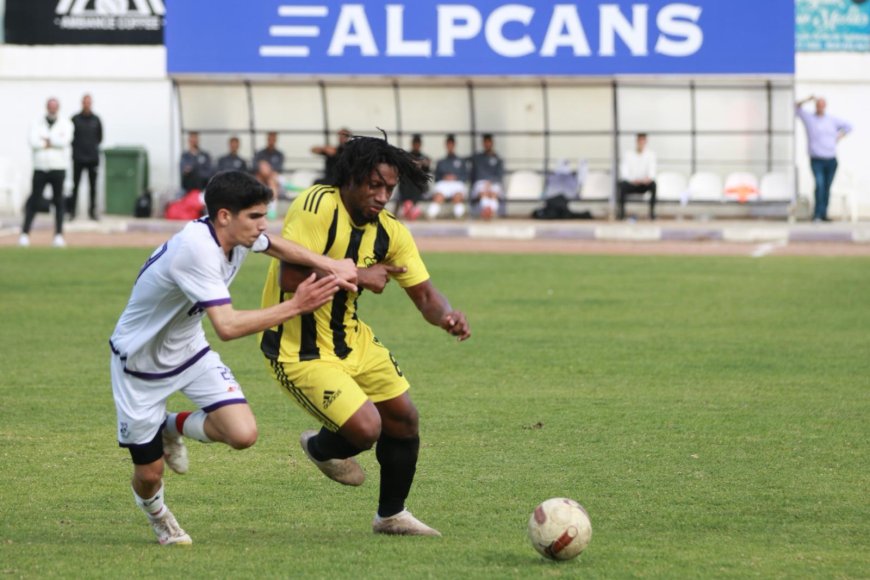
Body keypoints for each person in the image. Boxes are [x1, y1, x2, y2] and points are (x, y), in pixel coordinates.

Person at [109, 170, 357, 546]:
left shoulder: (236, 235)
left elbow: (276, 246)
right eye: (256, 217)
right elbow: (226, 325)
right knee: (149, 474)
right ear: (225, 215)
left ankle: (169, 426)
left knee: (243, 434)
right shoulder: (196, 250)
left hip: (189, 350)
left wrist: (329, 265)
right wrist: (296, 305)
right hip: (139, 365)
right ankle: (159, 517)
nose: (263, 225)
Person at [260, 134, 471, 537]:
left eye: (389, 188)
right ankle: (320, 447)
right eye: (374, 185)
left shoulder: (390, 232)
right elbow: (289, 276)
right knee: (365, 429)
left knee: (404, 419)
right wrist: (357, 274)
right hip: (298, 347)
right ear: (351, 178)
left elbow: (424, 293)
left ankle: (391, 515)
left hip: (353, 339)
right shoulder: (317, 204)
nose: (382, 195)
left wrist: (446, 316)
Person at [19, 97, 74, 248]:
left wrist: (48, 140)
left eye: (54, 106)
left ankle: (58, 235)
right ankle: (24, 234)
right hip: (40, 167)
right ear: (46, 107)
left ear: (58, 108)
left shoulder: (66, 123)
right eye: (50, 106)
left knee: (59, 202)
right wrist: (53, 141)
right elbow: (33, 142)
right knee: (34, 201)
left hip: (58, 167)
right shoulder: (36, 123)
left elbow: (65, 141)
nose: (52, 109)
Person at [795, 95, 852, 222]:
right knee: (819, 185)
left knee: (826, 187)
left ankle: (824, 214)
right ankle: (817, 214)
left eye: (822, 105)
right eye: (818, 105)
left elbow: (849, 126)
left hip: (831, 160)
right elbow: (795, 107)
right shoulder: (809, 118)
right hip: (817, 160)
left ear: (825, 106)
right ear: (816, 106)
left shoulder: (831, 120)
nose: (820, 107)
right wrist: (808, 99)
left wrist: (839, 136)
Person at [70, 93, 103, 221]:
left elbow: (100, 137)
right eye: (85, 102)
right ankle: (72, 211)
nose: (87, 104)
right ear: (81, 103)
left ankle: (92, 212)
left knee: (93, 187)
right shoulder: (75, 119)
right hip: (78, 158)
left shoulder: (96, 119)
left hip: (92, 159)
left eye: (89, 102)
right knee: (75, 186)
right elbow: (70, 138)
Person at [426, 133, 468, 220]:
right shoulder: (441, 161)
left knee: (457, 196)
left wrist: (455, 178)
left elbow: (465, 176)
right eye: (448, 143)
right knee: (438, 196)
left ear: (454, 145)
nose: (450, 145)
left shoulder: (461, 161)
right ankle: (430, 216)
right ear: (446, 145)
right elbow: (436, 178)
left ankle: (459, 216)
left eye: (451, 143)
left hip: (457, 183)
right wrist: (445, 177)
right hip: (444, 184)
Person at [617, 133, 657, 221]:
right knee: (621, 185)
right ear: (637, 141)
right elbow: (624, 172)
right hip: (631, 184)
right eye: (640, 141)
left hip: (644, 184)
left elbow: (652, 172)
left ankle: (652, 214)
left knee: (653, 185)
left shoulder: (651, 155)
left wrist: (646, 179)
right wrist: (633, 180)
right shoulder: (628, 154)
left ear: (646, 142)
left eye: (643, 141)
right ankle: (621, 214)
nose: (641, 143)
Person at [469, 133, 504, 220]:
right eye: (485, 142)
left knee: (494, 193)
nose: (487, 144)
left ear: (492, 143)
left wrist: (490, 182)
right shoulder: (477, 157)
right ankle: (487, 211)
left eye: (489, 142)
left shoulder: (497, 158)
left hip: (494, 182)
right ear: (483, 143)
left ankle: (490, 212)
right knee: (483, 192)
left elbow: (499, 175)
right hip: (480, 182)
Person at [397, 133, 430, 220]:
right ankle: (408, 205)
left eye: (418, 143)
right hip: (407, 187)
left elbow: (427, 169)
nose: (416, 145)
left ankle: (413, 207)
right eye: (415, 143)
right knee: (406, 180)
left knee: (418, 180)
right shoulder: (406, 155)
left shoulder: (424, 157)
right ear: (412, 144)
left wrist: (421, 164)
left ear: (420, 144)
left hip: (418, 187)